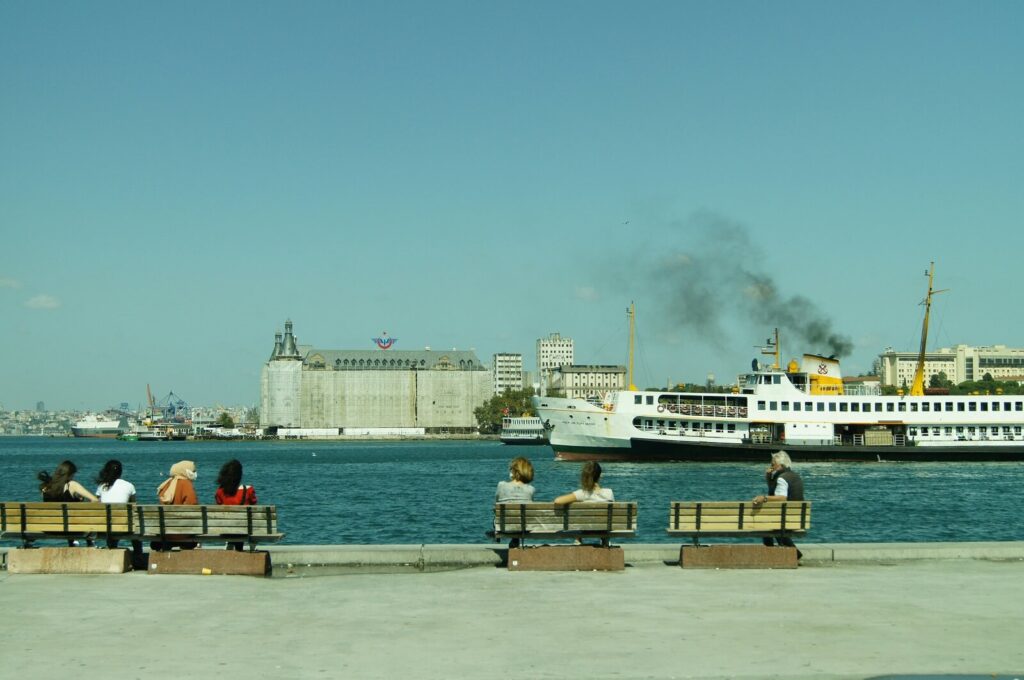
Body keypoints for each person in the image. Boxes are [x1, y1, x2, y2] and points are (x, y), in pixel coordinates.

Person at [753, 450, 805, 560]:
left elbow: (781, 497)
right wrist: (768, 477)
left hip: (786, 519)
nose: (771, 466)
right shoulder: (794, 476)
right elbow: (776, 491)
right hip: (796, 517)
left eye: (773, 464)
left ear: (780, 465)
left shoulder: (781, 478)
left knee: (766, 527)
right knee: (774, 528)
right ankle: (795, 554)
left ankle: (773, 555)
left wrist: (764, 498)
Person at [95, 459, 144, 567]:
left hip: (105, 528)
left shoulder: (101, 487)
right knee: (133, 526)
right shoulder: (129, 485)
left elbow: (99, 505)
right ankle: (138, 557)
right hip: (124, 527)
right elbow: (134, 505)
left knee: (111, 522)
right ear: (121, 472)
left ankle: (112, 550)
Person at [37, 460, 98, 546]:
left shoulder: (45, 488)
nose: (73, 477)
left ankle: (72, 543)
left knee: (66, 517)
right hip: (71, 529)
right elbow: (95, 500)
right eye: (73, 475)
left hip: (50, 529)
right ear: (69, 474)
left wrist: (76, 500)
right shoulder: (71, 485)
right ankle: (89, 543)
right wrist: (81, 502)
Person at [153, 460, 199, 551]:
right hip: (182, 533)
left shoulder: (165, 485)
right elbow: (193, 506)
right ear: (185, 471)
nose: (195, 473)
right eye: (193, 471)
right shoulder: (186, 484)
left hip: (164, 532)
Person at [215, 459, 257, 551]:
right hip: (244, 529)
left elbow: (219, 506)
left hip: (226, 529)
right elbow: (254, 505)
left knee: (233, 524)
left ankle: (230, 543)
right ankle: (241, 549)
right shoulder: (248, 490)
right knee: (245, 522)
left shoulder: (220, 492)